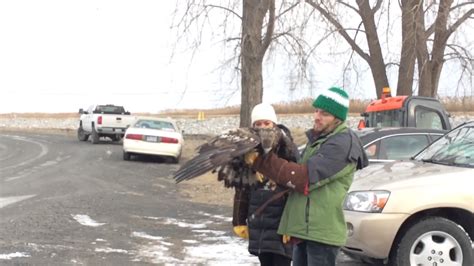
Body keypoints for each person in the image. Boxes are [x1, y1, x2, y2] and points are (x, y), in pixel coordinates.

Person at [246, 87, 369, 266]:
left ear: (338, 118)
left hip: (322, 234)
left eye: (325, 113)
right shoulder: (318, 141)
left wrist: (260, 161)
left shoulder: (342, 144)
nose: (317, 116)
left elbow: (303, 178)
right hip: (306, 232)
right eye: (316, 111)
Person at [232, 103, 299, 266]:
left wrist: (292, 225)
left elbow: (297, 190)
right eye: (258, 124)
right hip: (259, 221)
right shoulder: (248, 150)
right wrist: (238, 220)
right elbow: (242, 189)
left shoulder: (287, 148)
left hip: (281, 224)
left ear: (274, 124)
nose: (263, 128)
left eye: (267, 123)